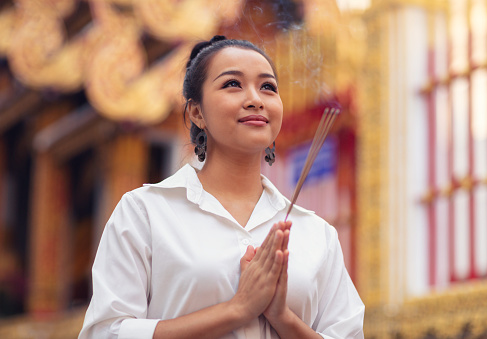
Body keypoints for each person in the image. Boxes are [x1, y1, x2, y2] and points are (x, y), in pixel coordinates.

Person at [78, 35, 364, 339]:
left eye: (267, 87)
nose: (255, 99)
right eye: (232, 84)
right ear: (196, 113)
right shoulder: (145, 212)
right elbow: (107, 333)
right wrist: (237, 309)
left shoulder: (316, 233)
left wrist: (282, 317)